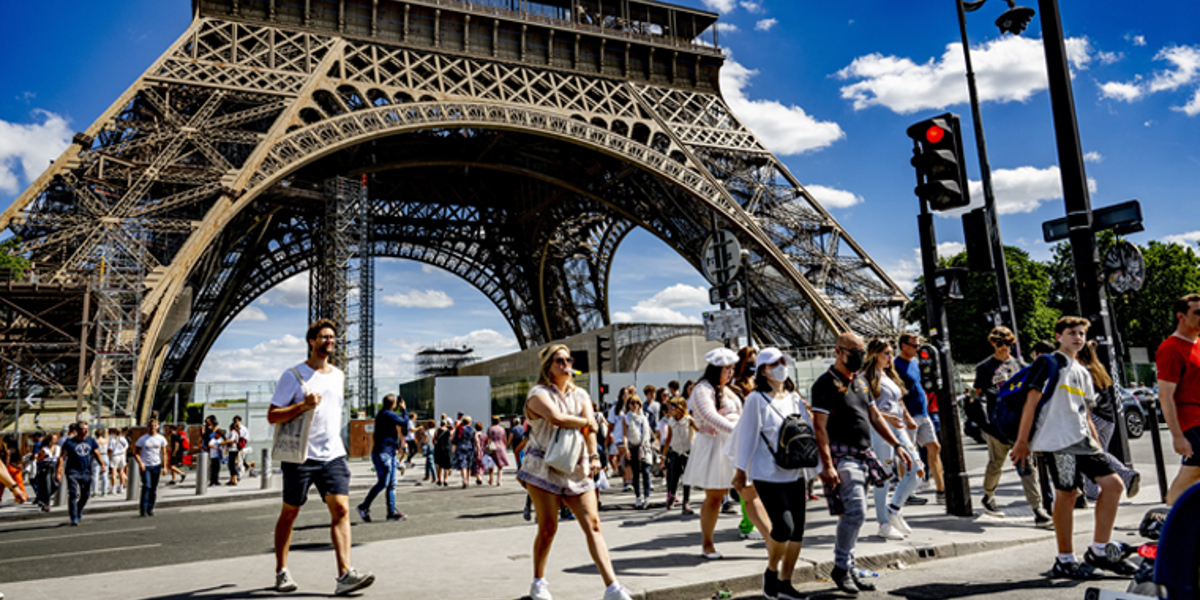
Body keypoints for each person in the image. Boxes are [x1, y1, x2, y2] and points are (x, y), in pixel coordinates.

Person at [1010, 316, 1135, 579]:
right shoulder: (1048, 362)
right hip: (1058, 442)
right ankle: (1065, 559)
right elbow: (1030, 404)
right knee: (1066, 495)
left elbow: (1085, 413)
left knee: (1114, 485)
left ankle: (1099, 551)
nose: (1077, 337)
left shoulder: (1082, 370)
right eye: (1071, 333)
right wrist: (1022, 442)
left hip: (1083, 442)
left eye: (1081, 333)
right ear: (1058, 336)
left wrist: (1098, 446)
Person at [267, 318, 374, 595]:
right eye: (324, 337)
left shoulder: (338, 375)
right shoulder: (293, 375)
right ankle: (281, 571)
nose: (329, 341)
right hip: (300, 456)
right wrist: (303, 405)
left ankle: (344, 575)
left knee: (341, 509)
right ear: (311, 341)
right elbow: (272, 415)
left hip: (333, 454)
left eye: (332, 338)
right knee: (290, 513)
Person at [516, 344, 632, 600]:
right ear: (548, 367)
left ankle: (612, 587)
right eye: (560, 360)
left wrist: (594, 456)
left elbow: (589, 433)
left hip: (577, 466)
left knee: (594, 525)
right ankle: (538, 581)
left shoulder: (580, 394)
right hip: (543, 467)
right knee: (548, 528)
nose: (566, 364)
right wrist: (588, 420)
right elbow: (557, 418)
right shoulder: (538, 394)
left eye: (569, 360)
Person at [812, 332, 914, 594]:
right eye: (853, 351)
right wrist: (828, 465)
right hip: (841, 456)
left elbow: (876, 416)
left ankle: (848, 565)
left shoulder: (861, 381)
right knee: (856, 511)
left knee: (852, 515)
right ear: (838, 351)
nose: (858, 355)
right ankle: (841, 566)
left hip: (862, 454)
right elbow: (820, 429)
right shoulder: (823, 384)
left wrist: (898, 445)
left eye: (860, 350)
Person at [729, 348, 811, 600]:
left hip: (795, 471)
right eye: (774, 363)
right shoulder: (756, 399)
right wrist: (741, 471)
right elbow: (747, 436)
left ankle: (785, 583)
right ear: (764, 370)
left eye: (783, 362)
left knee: (797, 531)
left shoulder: (795, 397)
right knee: (784, 526)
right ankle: (771, 571)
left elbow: (807, 433)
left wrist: (817, 468)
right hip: (767, 473)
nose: (781, 366)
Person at [972, 326, 1049, 526]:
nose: (1004, 347)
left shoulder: (1020, 365)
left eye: (1008, 343)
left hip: (1017, 422)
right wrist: (983, 422)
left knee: (1026, 465)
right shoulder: (985, 368)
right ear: (992, 343)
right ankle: (988, 495)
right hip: (996, 423)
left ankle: (1037, 508)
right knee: (996, 464)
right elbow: (975, 395)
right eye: (1000, 343)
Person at [681, 347, 742, 559]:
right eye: (727, 368)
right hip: (716, 445)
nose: (731, 372)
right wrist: (738, 432)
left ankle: (770, 539)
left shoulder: (727, 389)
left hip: (732, 444)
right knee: (715, 497)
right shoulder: (702, 389)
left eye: (733, 368)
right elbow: (708, 416)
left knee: (750, 492)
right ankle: (707, 544)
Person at [864, 339, 924, 540]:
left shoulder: (888, 375)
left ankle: (894, 508)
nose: (890, 357)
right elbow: (864, 408)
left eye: (891, 353)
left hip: (898, 429)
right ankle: (883, 522)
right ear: (874, 355)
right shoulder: (866, 378)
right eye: (885, 354)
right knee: (885, 475)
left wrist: (906, 418)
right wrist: (886, 417)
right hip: (881, 430)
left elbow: (898, 400)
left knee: (917, 468)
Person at [1077, 342, 1142, 501]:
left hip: (1094, 417)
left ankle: (1127, 475)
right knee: (1096, 454)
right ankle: (1092, 491)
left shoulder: (1083, 372)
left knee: (1095, 452)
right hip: (1108, 418)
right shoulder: (1099, 370)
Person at [1157, 293, 1200, 505]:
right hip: (1192, 422)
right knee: (1192, 473)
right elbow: (1165, 395)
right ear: (1181, 316)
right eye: (1197, 312)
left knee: (1194, 473)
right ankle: (1167, 523)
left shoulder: (1198, 344)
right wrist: (1177, 436)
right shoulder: (1171, 348)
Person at [894, 333, 944, 503]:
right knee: (908, 454)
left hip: (923, 413)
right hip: (909, 415)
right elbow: (897, 394)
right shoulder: (895, 366)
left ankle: (941, 490)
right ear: (904, 346)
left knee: (934, 447)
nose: (918, 349)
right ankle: (906, 492)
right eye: (914, 346)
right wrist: (905, 415)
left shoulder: (915, 364)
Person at [358, 394, 406, 523]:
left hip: (388, 453)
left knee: (391, 484)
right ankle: (364, 506)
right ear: (393, 404)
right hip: (383, 453)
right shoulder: (387, 414)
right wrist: (404, 409)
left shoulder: (384, 414)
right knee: (384, 483)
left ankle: (391, 512)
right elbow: (404, 422)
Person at [58, 421, 103, 526]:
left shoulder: (90, 441)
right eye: (84, 429)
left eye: (87, 428)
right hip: (72, 471)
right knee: (73, 494)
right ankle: (74, 517)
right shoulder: (70, 442)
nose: (86, 430)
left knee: (85, 495)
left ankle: (79, 509)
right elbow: (61, 456)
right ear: (78, 430)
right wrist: (59, 468)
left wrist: (103, 465)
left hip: (86, 472)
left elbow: (96, 453)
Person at [661, 396, 694, 514]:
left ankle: (686, 502)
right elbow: (668, 439)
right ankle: (672, 495)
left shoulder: (688, 419)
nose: (670, 409)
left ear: (680, 408)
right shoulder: (671, 421)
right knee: (674, 477)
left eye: (672, 407)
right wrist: (663, 457)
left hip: (687, 452)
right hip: (675, 452)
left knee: (687, 478)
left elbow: (699, 430)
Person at [622, 394, 653, 508]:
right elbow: (625, 435)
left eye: (637, 403)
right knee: (636, 473)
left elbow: (649, 430)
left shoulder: (644, 416)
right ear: (628, 405)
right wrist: (626, 448)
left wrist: (655, 441)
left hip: (645, 446)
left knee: (646, 472)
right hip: (634, 447)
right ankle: (638, 498)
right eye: (632, 403)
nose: (635, 405)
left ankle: (647, 498)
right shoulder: (626, 418)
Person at [134, 418, 168, 517]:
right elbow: (136, 453)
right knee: (146, 486)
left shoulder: (161, 439)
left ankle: (150, 508)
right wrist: (140, 463)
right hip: (146, 465)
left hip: (156, 465)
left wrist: (164, 467)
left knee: (153, 488)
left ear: (158, 427)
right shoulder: (143, 439)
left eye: (154, 425)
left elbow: (164, 453)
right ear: (148, 426)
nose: (152, 427)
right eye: (151, 425)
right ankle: (143, 509)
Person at [35, 431, 61, 510]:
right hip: (45, 467)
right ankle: (46, 504)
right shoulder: (44, 449)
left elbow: (60, 459)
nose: (54, 441)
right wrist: (43, 457)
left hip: (54, 466)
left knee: (56, 485)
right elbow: (38, 460)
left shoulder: (58, 448)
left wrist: (60, 470)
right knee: (47, 486)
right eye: (53, 439)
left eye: (55, 439)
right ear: (49, 440)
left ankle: (41, 498)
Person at [451, 416, 478, 488]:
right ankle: (467, 480)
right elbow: (477, 440)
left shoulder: (459, 429)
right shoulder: (473, 430)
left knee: (463, 465)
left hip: (461, 447)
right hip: (470, 448)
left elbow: (451, 438)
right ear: (470, 422)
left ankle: (464, 480)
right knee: (469, 464)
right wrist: (478, 449)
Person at [486, 416, 510, 486]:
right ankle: (498, 480)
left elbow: (487, 438)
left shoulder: (490, 429)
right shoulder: (502, 429)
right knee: (500, 465)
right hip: (500, 446)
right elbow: (504, 439)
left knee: (491, 463)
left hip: (492, 446)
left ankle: (491, 479)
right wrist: (505, 445)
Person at [108, 428, 128, 496]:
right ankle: (121, 488)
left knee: (114, 473)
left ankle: (113, 489)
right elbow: (126, 448)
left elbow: (110, 449)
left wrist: (108, 456)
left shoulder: (113, 440)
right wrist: (124, 456)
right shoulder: (124, 439)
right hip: (122, 456)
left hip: (115, 456)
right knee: (121, 473)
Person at [434, 420, 454, 486]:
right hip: (447, 448)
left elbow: (434, 440)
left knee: (438, 464)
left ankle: (439, 479)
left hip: (439, 448)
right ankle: (445, 480)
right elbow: (452, 439)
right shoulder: (449, 431)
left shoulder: (437, 430)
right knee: (447, 465)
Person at [91, 427, 110, 497]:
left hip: (97, 456)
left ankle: (95, 492)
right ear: (102, 434)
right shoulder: (105, 440)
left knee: (95, 475)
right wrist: (106, 432)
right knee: (105, 475)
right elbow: (107, 437)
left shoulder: (95, 441)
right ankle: (104, 492)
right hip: (105, 456)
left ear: (95, 435)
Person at [224, 419, 243, 486]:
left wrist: (223, 442)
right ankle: (232, 479)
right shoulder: (234, 432)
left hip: (233, 450)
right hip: (232, 450)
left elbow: (231, 440)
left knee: (232, 465)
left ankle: (234, 480)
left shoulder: (233, 432)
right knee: (231, 465)